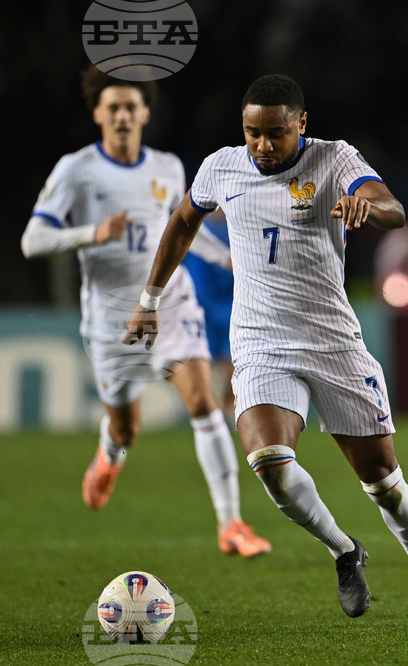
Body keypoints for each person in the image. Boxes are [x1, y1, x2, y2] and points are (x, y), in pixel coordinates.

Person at [122, 74, 408, 625]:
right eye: (252, 133)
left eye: (275, 134)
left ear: (301, 125)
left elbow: (393, 208)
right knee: (270, 465)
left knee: (384, 484)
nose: (262, 145)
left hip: (334, 343)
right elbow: (184, 220)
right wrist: (149, 298)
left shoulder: (334, 160)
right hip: (260, 343)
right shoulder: (222, 166)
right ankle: (344, 550)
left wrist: (365, 204)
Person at [22, 67, 270, 558]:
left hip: (170, 303)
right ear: (98, 113)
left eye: (130, 107)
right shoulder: (76, 170)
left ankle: (232, 523)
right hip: (110, 318)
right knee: (126, 427)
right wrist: (90, 234)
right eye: (112, 107)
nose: (121, 116)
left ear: (145, 114)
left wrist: (228, 260)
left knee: (202, 400)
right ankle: (109, 455)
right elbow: (34, 239)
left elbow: (179, 234)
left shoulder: (168, 166)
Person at [182, 211, 237, 424]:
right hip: (202, 308)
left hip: (232, 307)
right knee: (207, 367)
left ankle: (225, 410)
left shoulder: (236, 226)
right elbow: (192, 275)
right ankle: (215, 414)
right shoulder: (197, 230)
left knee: (233, 365)